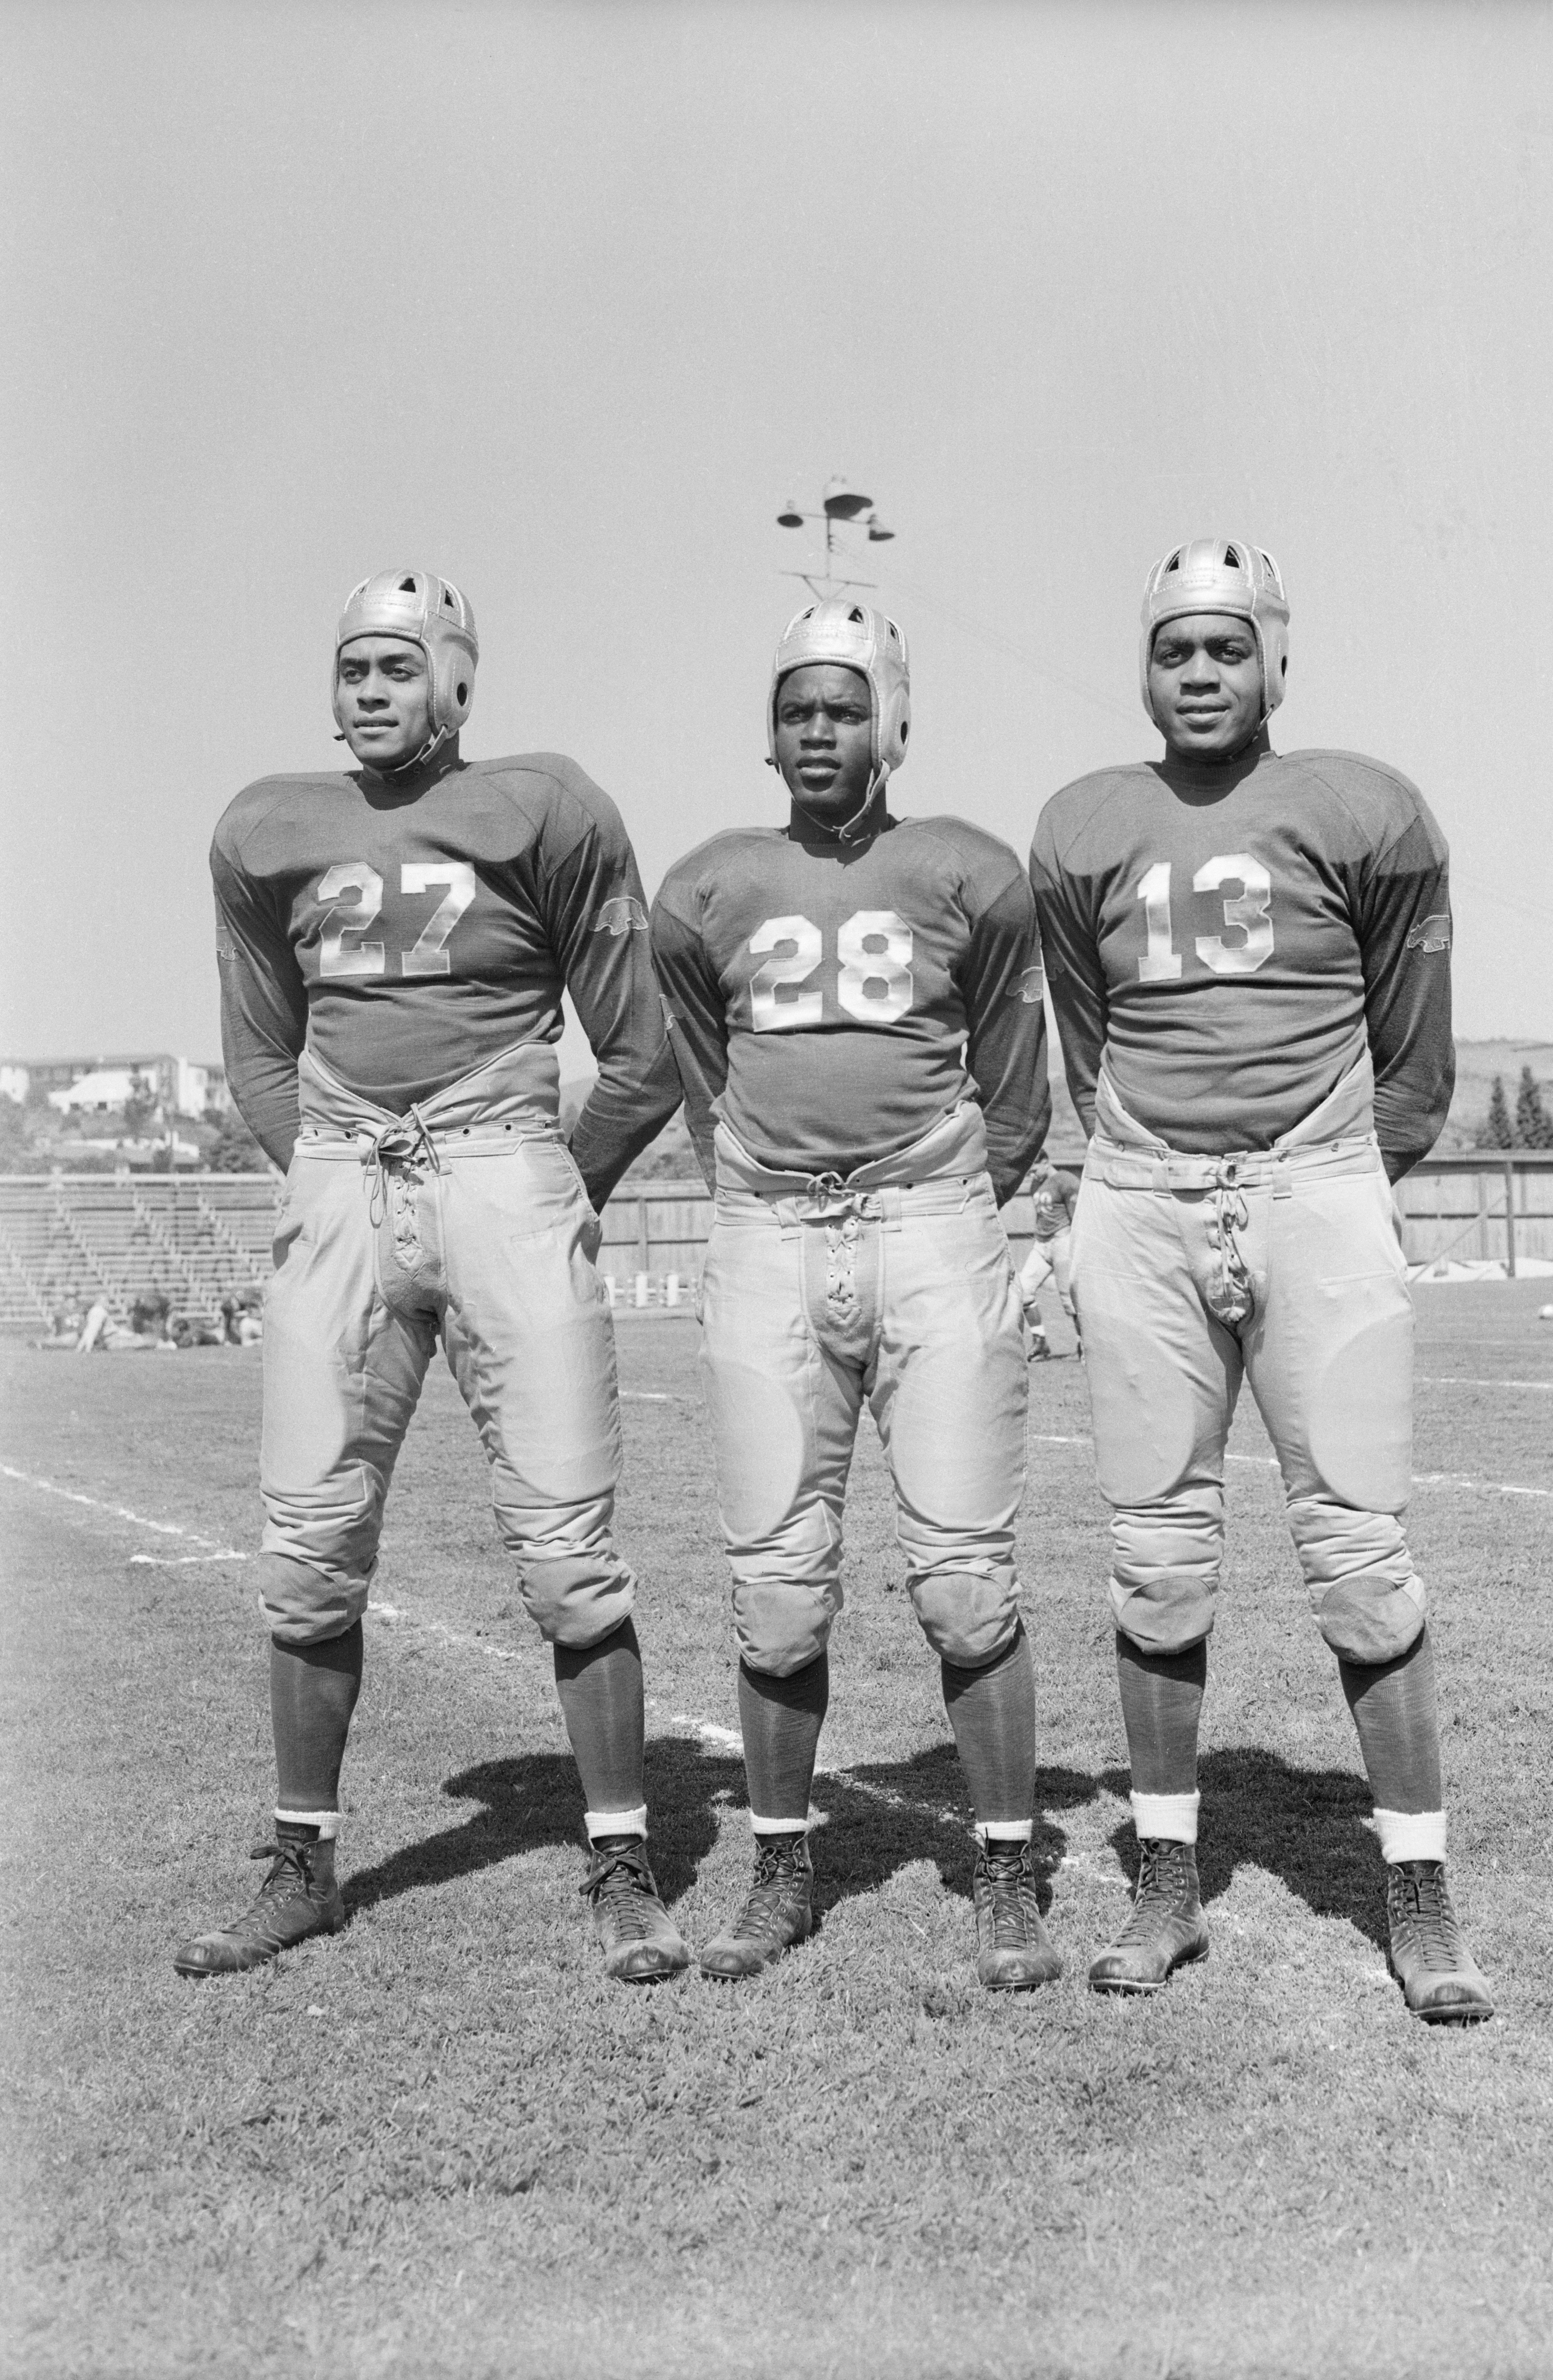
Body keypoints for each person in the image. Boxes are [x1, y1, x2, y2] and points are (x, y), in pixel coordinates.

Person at [179, 570, 685, 1985]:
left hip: (500, 1165)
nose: (372, 688)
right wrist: (334, 1172)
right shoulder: (267, 827)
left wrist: (536, 1180)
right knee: (305, 1548)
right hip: (345, 1175)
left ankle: (622, 1856)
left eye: (400, 666)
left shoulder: (544, 804)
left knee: (571, 1556)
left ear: (457, 683)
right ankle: (300, 1863)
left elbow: (641, 1048)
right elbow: (262, 1052)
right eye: (352, 665)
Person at [1030, 538, 1491, 2023]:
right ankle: (1165, 1883)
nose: (1202, 674)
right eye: (1176, 650)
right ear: (1143, 668)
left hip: (1312, 1186)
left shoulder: (1365, 808)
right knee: (1155, 1550)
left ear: (1276, 661)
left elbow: (1416, 1063)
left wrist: (1327, 1184)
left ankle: (1417, 1890)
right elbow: (1088, 1044)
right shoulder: (1083, 825)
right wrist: (1126, 1189)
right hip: (1143, 1195)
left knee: (1359, 1554)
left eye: (1229, 649)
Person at [652, 597, 1060, 1991]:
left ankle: (1007, 1872)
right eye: (793, 708)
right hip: (770, 1235)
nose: (816, 729)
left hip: (931, 1228)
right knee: (772, 1587)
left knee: (962, 1580)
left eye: (842, 705)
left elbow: (1017, 1083)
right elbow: (704, 1073)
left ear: (894, 715)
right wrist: (776, 1188)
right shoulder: (706, 886)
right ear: (765, 732)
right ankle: (778, 1865)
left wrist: (937, 1205)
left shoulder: (966, 870)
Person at [1016, 1161, 1080, 1360]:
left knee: (1069, 1299)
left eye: (1034, 1170)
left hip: (1062, 1240)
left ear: (1045, 1162)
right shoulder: (1037, 1184)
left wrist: (1072, 1241)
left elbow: (1076, 1212)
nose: (1032, 1176)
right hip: (1041, 1243)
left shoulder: (1064, 1179)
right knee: (1023, 1290)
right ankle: (1040, 1343)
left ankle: (1084, 1344)